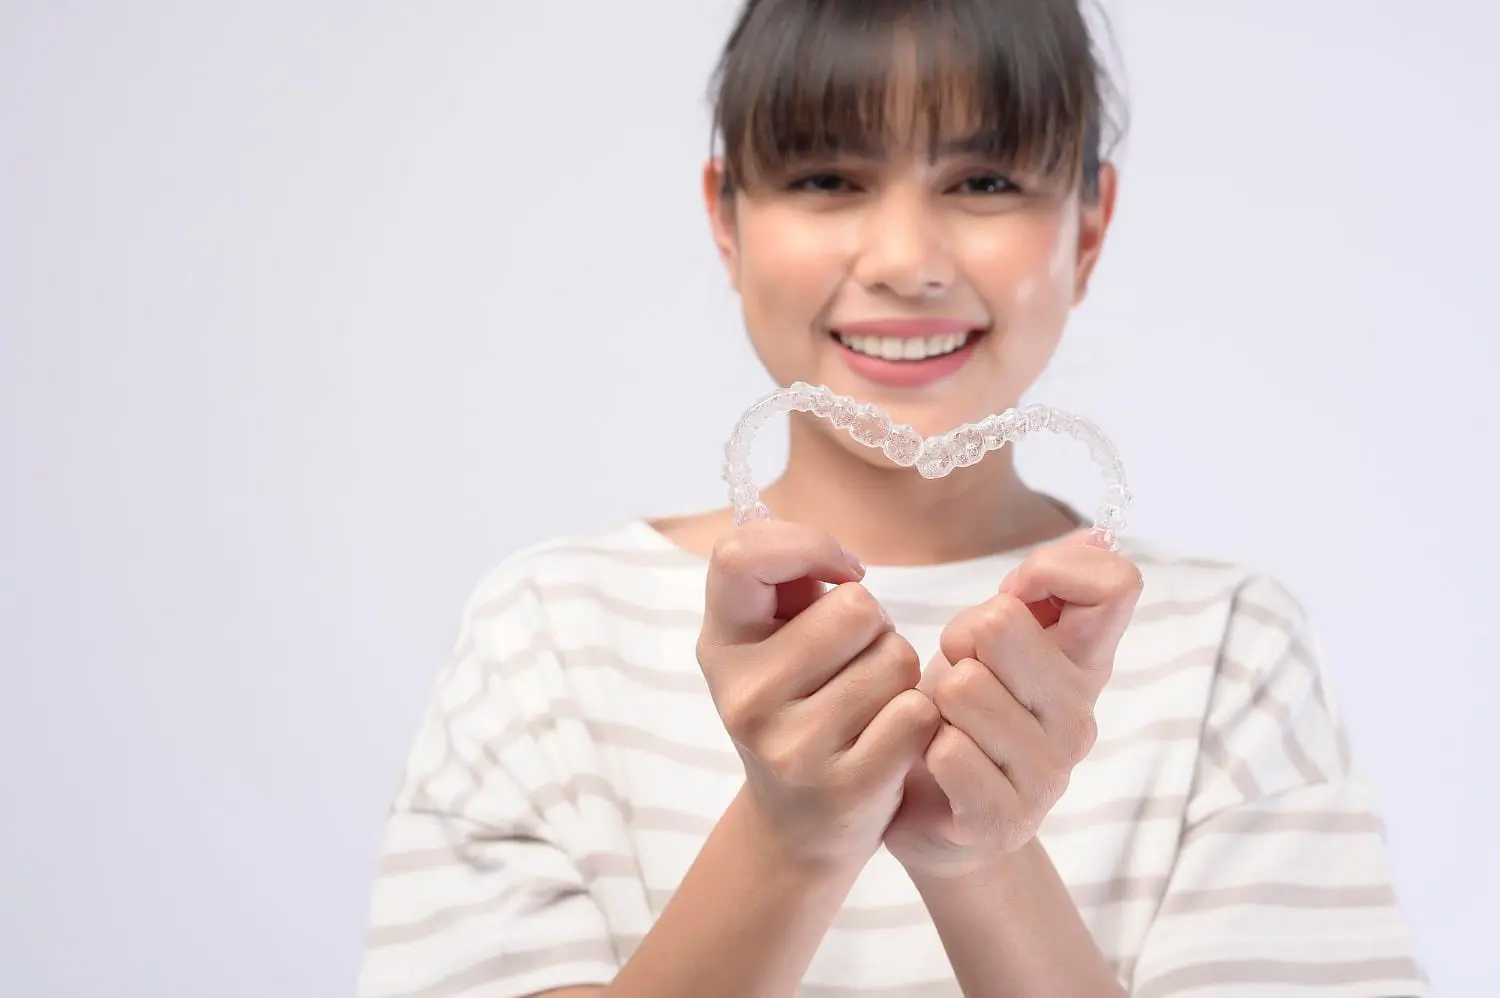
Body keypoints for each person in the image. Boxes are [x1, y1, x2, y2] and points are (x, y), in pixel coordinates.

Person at [356, 1, 1428, 995]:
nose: (906, 260)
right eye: (827, 178)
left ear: (1089, 230)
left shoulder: (1228, 647)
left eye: (986, 181)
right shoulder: (547, 635)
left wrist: (982, 861)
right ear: (725, 219)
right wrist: (792, 837)